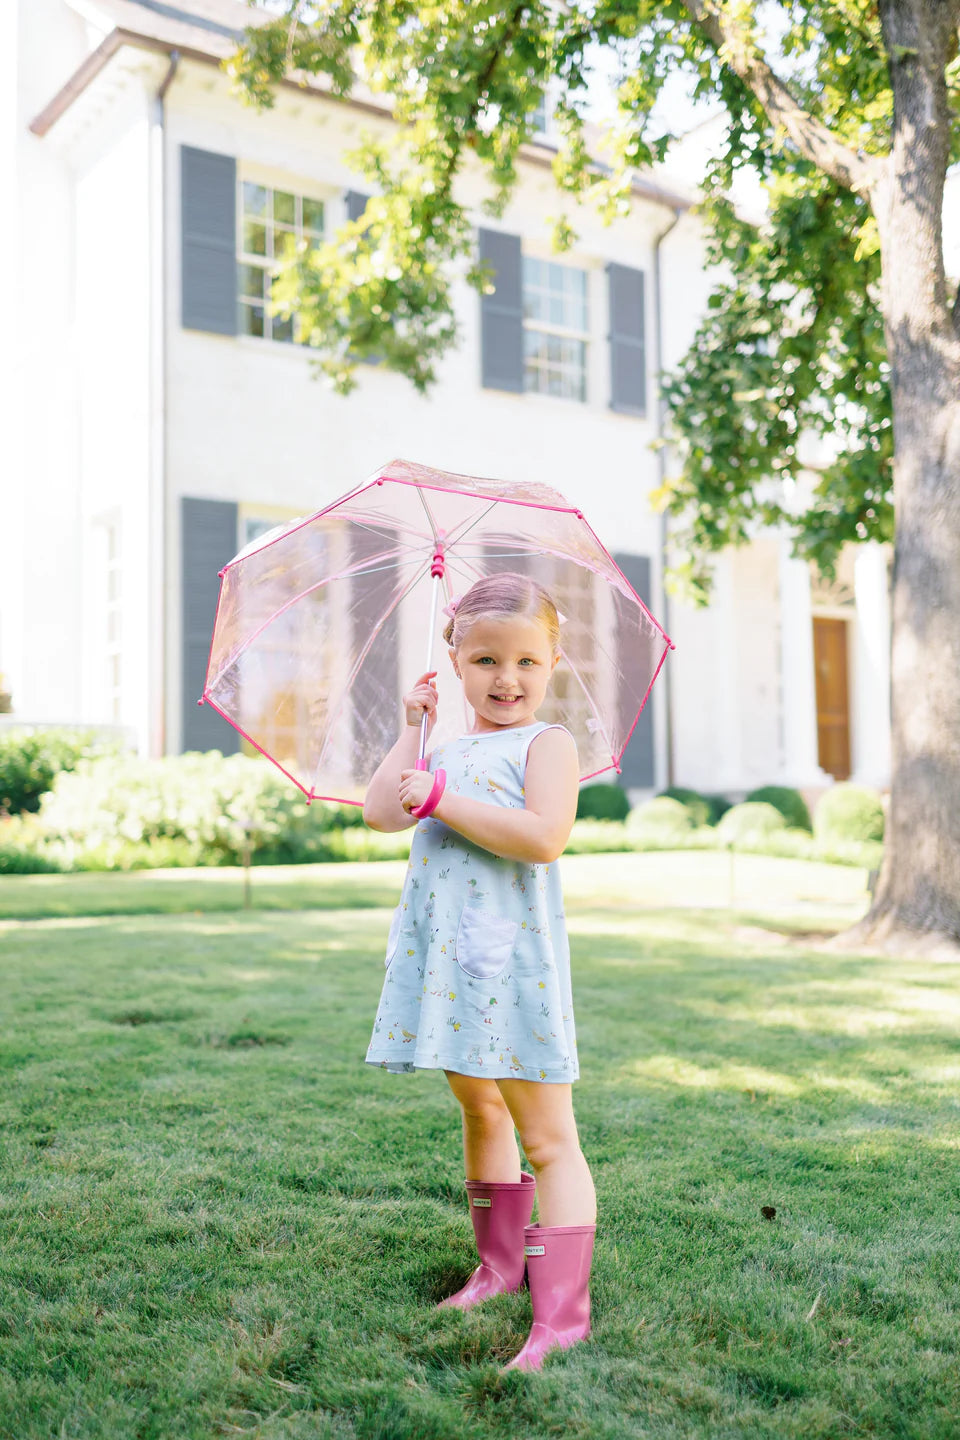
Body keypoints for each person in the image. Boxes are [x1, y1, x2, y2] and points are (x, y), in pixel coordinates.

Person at [362, 572, 597, 1372]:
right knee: (480, 1109)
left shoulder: (546, 744)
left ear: (552, 663)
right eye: (487, 660)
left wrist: (442, 800)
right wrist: (413, 731)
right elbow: (381, 811)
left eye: (527, 662)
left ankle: (562, 1315)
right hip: (450, 966)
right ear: (456, 662)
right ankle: (498, 1269)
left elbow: (543, 836)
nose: (507, 679)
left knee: (548, 1136)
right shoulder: (445, 748)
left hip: (512, 966)